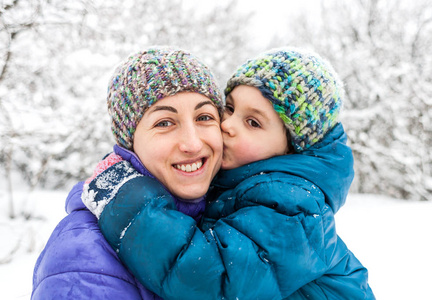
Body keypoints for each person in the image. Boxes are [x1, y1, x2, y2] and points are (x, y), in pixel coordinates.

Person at [82, 48, 375, 299]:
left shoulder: (292, 204)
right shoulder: (247, 186)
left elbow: (213, 279)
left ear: (291, 147)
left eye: (252, 122)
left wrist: (132, 207)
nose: (227, 126)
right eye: (229, 109)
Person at [31, 47, 224, 299]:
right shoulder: (83, 259)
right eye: (164, 123)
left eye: (204, 117)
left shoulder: (237, 220)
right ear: (129, 143)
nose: (193, 143)